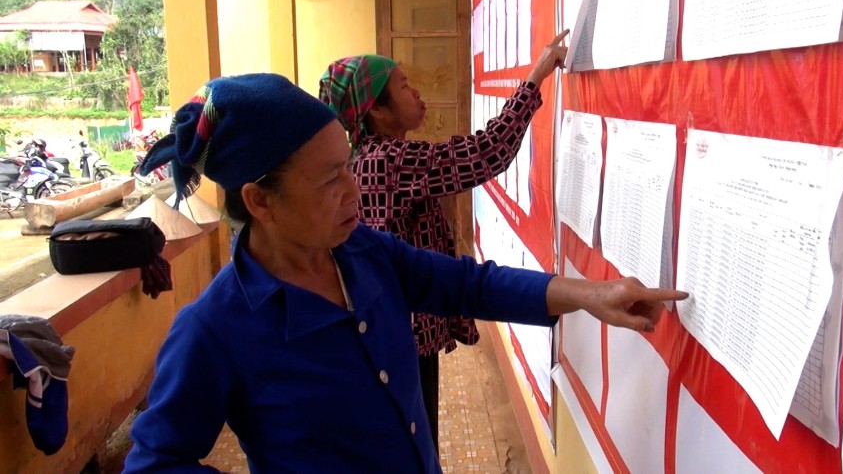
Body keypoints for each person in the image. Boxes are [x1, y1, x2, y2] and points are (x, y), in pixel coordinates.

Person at [123, 73, 688, 473]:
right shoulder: (214, 330)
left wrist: (590, 294)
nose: (353, 191)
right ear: (260, 201)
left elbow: (468, 285)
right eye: (329, 180)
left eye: (348, 167)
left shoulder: (363, 253)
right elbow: (155, 463)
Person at [318, 30, 569, 449]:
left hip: (395, 327)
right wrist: (537, 75)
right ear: (377, 110)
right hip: (401, 332)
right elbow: (486, 153)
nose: (416, 92)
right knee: (415, 441)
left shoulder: (372, 156)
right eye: (403, 86)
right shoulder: (390, 161)